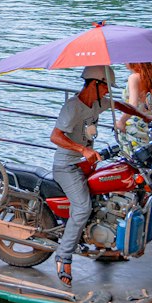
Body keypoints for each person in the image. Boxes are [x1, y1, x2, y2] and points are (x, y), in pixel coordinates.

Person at [49, 65, 115, 287]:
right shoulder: (72, 107)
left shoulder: (97, 103)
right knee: (83, 207)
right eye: (106, 87)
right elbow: (55, 136)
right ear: (95, 84)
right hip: (67, 166)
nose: (108, 92)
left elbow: (119, 104)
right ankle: (63, 256)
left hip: (86, 165)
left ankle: (107, 244)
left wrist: (141, 115)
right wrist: (83, 150)